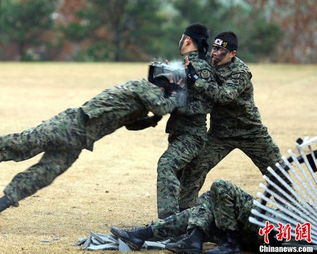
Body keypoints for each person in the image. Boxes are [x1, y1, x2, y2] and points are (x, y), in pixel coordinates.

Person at [0, 76, 182, 229]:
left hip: (81, 138)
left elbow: (130, 123)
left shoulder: (143, 102)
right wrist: (174, 98)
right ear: (161, 87)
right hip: (71, 124)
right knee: (23, 144)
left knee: (45, 174)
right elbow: (162, 105)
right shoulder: (144, 86)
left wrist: (151, 121)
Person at [178, 31, 283, 210]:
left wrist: (196, 80)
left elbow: (224, 96)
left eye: (220, 50)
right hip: (220, 134)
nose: (214, 53)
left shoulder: (240, 72)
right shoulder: (209, 65)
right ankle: (184, 216)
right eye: (214, 48)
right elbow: (191, 68)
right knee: (193, 169)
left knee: (278, 173)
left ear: (232, 54)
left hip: (251, 133)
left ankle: (291, 218)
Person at [155, 23, 216, 219]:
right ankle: (184, 224)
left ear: (187, 40)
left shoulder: (199, 67)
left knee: (166, 165)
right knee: (185, 195)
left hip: (192, 136)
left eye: (182, 38)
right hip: (180, 133)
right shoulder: (186, 64)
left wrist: (174, 101)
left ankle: (167, 225)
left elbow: (206, 104)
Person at [111, 179, 268, 254]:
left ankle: (225, 243)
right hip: (253, 237)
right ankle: (194, 237)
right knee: (207, 204)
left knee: (220, 187)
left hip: (268, 230)